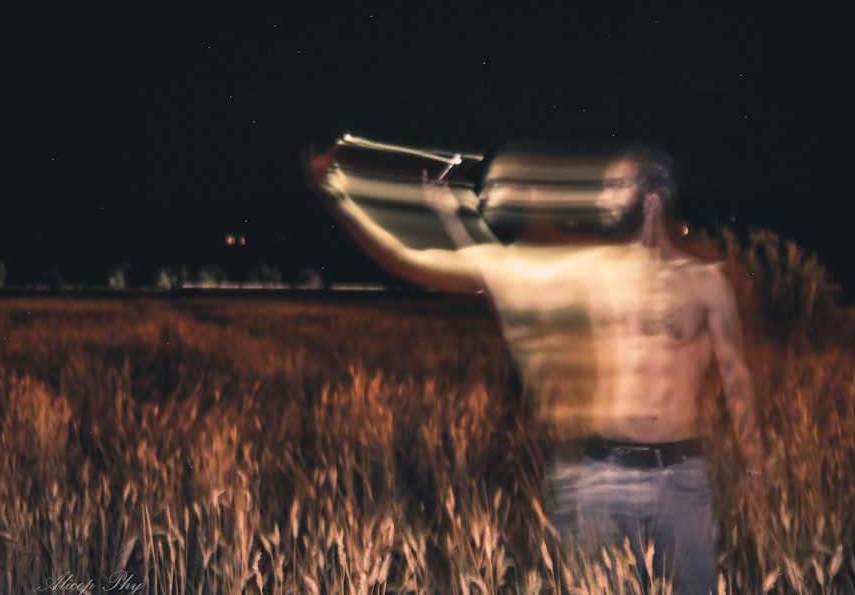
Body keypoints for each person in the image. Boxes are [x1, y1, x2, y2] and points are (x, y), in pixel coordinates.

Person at [309, 141, 763, 594]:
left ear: (652, 198)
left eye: (615, 187)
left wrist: (754, 468)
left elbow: (736, 377)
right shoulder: (596, 270)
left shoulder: (706, 284)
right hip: (601, 475)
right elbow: (498, 272)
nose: (603, 198)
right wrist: (450, 218)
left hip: (680, 480)